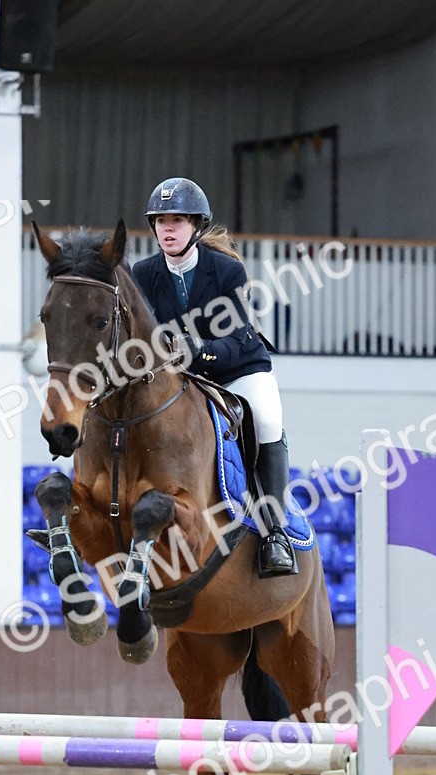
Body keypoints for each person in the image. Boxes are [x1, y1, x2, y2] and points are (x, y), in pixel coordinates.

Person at [132, 177, 296, 577]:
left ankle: (275, 533)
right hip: (177, 377)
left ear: (196, 226)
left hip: (235, 369)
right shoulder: (144, 272)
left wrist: (194, 348)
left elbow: (240, 339)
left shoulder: (226, 270)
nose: (168, 229)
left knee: (268, 417)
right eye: (161, 221)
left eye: (178, 220)